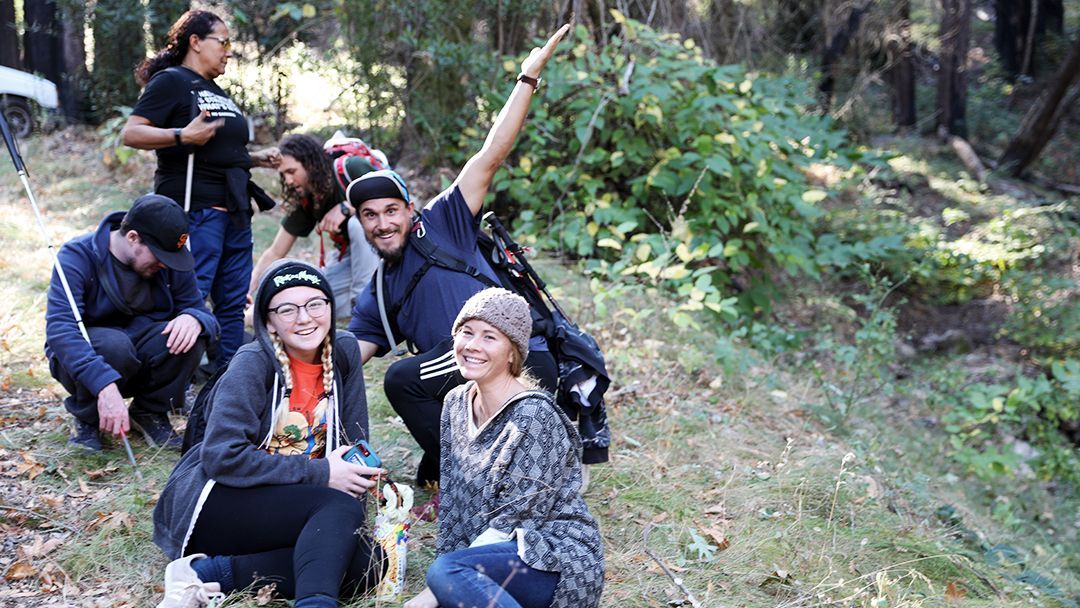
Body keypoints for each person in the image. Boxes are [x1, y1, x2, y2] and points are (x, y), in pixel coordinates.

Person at [346, 24, 573, 487]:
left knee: (403, 379)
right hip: (467, 378)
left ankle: (479, 473)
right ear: (360, 223)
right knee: (423, 435)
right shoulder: (379, 290)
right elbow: (350, 353)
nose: (383, 223)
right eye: (370, 215)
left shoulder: (444, 221)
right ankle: (485, 468)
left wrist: (527, 77)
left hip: (520, 358)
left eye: (392, 210)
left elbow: (491, 153)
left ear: (410, 209)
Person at [152, 260, 385, 608]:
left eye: (315, 304)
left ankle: (207, 574)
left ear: (330, 307)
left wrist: (358, 491)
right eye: (287, 309)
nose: (305, 318)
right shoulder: (253, 363)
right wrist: (322, 474)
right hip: (220, 499)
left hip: (296, 502)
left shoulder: (344, 351)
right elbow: (221, 456)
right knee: (334, 510)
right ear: (268, 320)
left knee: (368, 562)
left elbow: (353, 441)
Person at [404, 288, 604, 608]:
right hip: (486, 562)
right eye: (466, 332)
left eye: (489, 337)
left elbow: (515, 523)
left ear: (513, 352)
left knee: (445, 572)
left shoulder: (534, 415)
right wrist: (444, 587)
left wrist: (431, 592)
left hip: (553, 560)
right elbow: (454, 506)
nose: (472, 345)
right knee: (445, 573)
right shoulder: (456, 404)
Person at [122, 9, 279, 372]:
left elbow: (219, 149)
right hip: (196, 210)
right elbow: (132, 133)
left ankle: (225, 379)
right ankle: (168, 384)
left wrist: (254, 159)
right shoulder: (172, 81)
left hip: (236, 211)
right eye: (222, 42)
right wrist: (181, 135)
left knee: (232, 301)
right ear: (195, 41)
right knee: (190, 296)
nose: (228, 51)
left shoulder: (217, 90)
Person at [45, 194, 218, 451]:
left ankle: (150, 412)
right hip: (93, 354)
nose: (165, 263)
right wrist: (103, 383)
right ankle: (88, 419)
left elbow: (201, 311)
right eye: (159, 255)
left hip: (140, 347)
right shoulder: (77, 256)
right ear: (133, 237)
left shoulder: (168, 261)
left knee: (191, 336)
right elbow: (61, 329)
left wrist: (195, 318)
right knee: (115, 346)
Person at [250, 134, 382, 317]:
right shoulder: (308, 198)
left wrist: (347, 207)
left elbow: (389, 200)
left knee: (356, 224)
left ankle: (365, 309)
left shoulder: (351, 167)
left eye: (291, 171)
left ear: (310, 164)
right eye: (283, 174)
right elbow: (275, 251)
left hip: (383, 247)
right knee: (316, 299)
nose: (288, 180)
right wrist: (248, 290)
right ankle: (372, 298)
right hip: (349, 256)